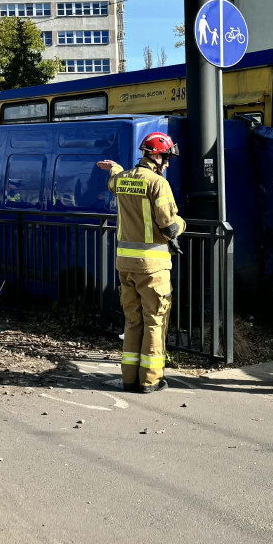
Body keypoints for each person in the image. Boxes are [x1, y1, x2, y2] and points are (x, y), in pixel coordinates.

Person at [96, 132, 184, 394]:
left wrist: (114, 167)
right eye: (166, 158)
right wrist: (182, 224)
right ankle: (150, 380)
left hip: (125, 264)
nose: (167, 163)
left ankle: (129, 378)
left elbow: (114, 181)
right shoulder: (158, 183)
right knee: (155, 321)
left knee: (133, 321)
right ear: (156, 156)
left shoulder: (123, 179)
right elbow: (169, 227)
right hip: (153, 267)